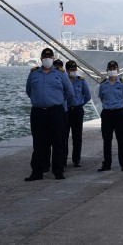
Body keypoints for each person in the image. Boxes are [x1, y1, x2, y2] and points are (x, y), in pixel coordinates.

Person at [24, 48, 75, 181]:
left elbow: (69, 92)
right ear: (41, 59)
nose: (47, 59)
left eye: (49, 57)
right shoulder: (34, 73)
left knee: (57, 142)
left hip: (55, 111)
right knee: (38, 143)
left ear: (53, 59)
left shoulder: (60, 73)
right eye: (45, 57)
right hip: (38, 112)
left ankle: (58, 171)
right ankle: (37, 172)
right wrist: (39, 100)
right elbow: (28, 90)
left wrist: (58, 101)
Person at [97, 60, 123, 172]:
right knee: (107, 139)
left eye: (114, 69)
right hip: (107, 114)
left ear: (118, 70)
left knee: (121, 139)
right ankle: (106, 164)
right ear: (107, 70)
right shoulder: (103, 85)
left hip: (119, 113)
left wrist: (118, 106)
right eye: (110, 69)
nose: (112, 70)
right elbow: (102, 98)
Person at [65, 60, 91, 168]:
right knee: (64, 137)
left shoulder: (81, 81)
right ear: (67, 70)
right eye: (71, 69)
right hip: (66, 111)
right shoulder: (63, 81)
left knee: (77, 137)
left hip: (77, 111)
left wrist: (80, 104)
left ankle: (76, 160)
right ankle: (63, 160)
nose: (73, 71)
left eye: (74, 69)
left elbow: (88, 95)